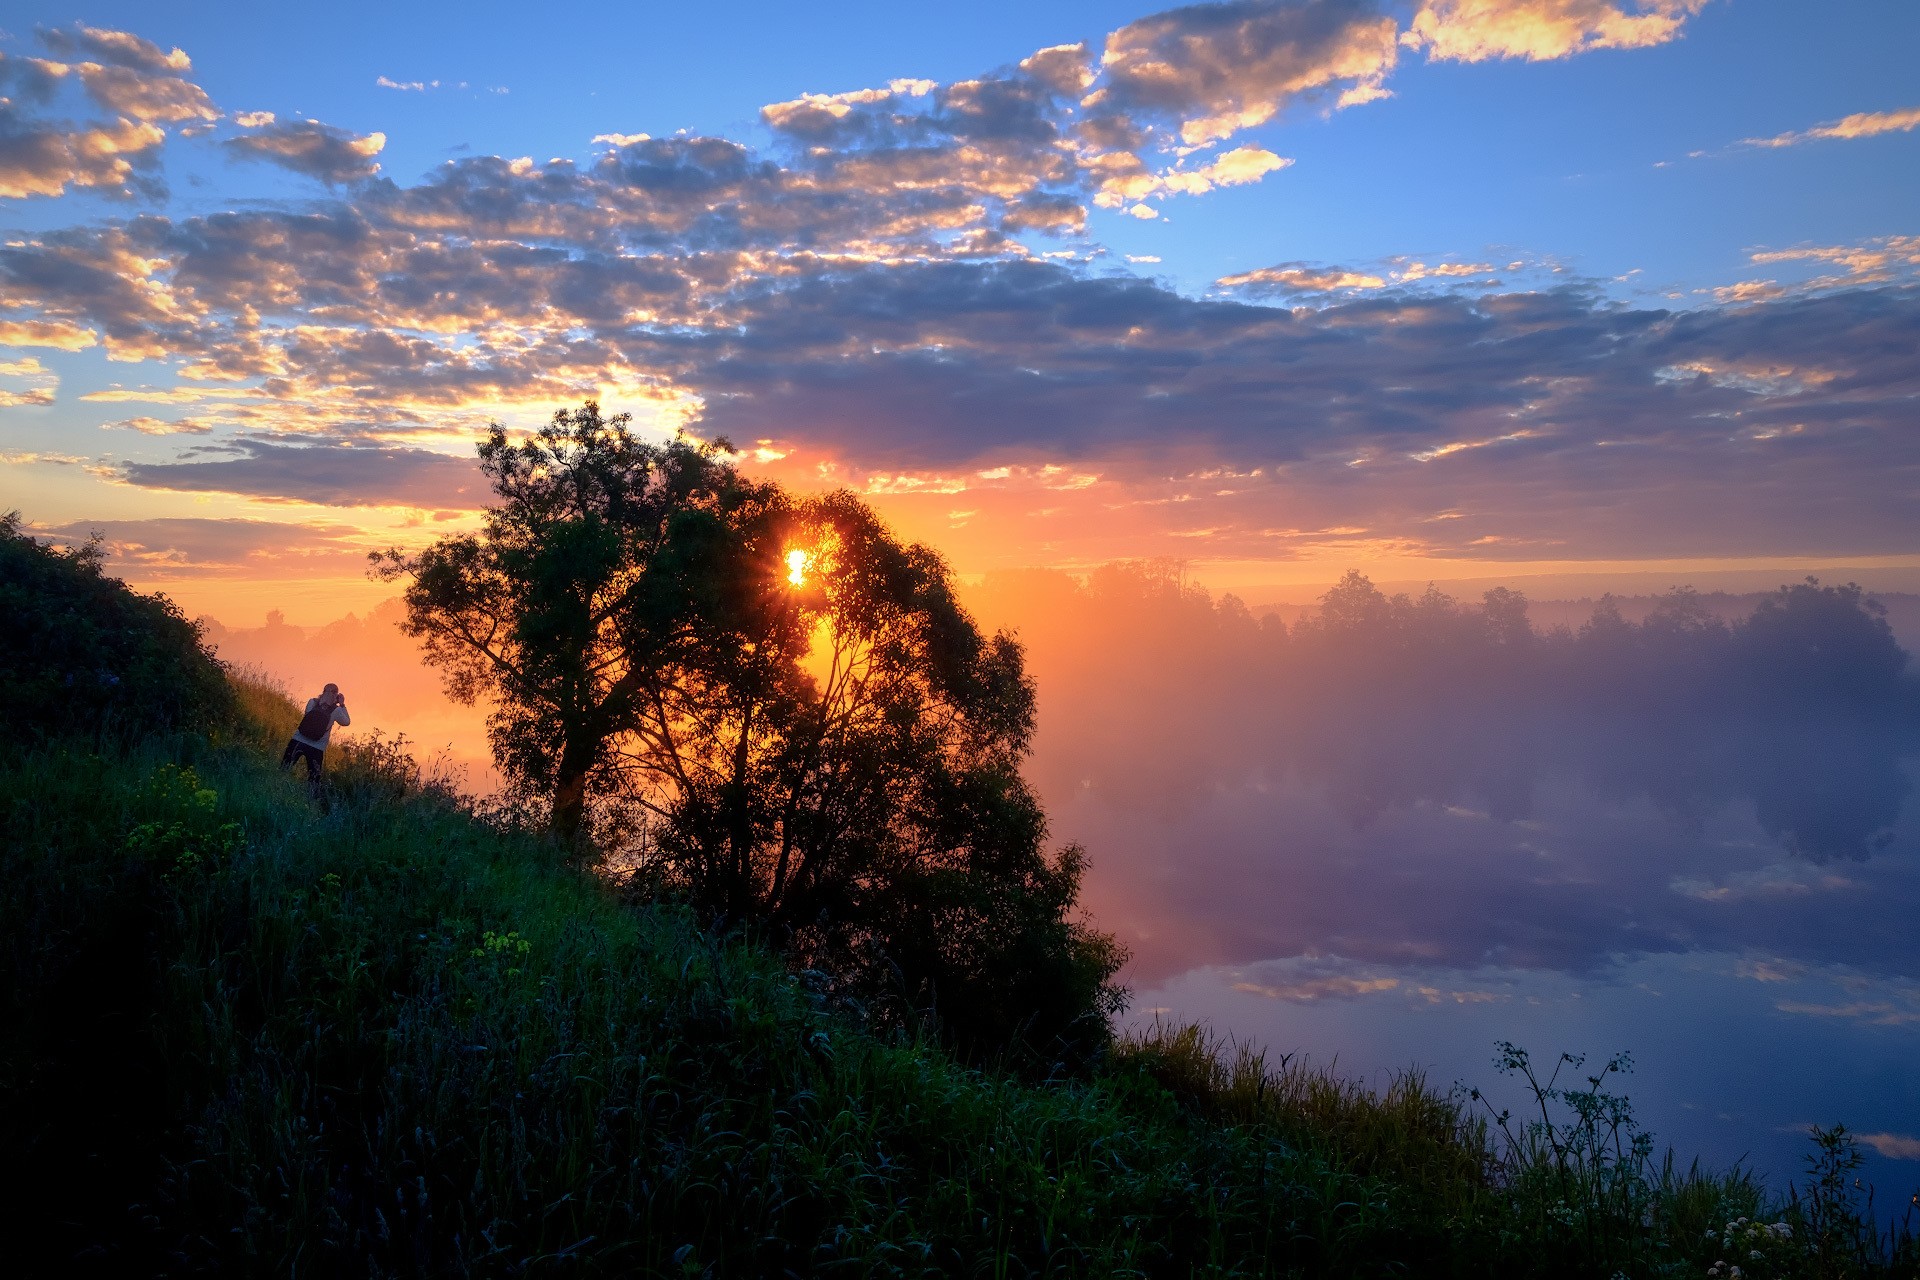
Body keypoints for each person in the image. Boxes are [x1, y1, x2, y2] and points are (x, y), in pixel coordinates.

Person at [281, 683, 350, 794]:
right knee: (313, 779)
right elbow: (346, 722)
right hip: (317, 747)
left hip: (298, 740)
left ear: (323, 691)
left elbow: (307, 716)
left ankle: (276, 788)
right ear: (336, 695)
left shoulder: (312, 702)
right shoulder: (336, 711)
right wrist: (342, 705)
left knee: (285, 768)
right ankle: (311, 800)